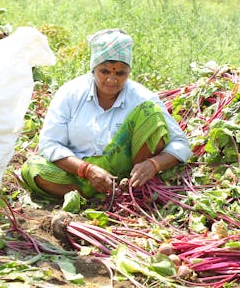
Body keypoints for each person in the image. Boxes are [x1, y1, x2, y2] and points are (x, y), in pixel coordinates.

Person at [21, 29, 192, 200]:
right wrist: (87, 170)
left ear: (129, 72)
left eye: (120, 73)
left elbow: (180, 144)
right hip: (78, 173)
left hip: (126, 173)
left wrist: (153, 164)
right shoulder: (70, 93)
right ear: (93, 68)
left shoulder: (142, 98)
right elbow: (49, 144)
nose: (112, 79)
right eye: (104, 71)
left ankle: (127, 188)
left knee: (150, 113)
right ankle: (98, 195)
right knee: (33, 169)